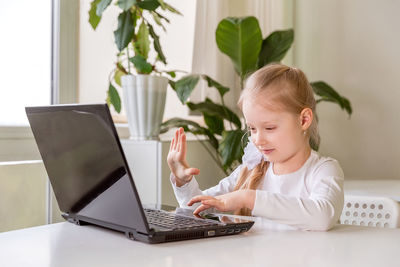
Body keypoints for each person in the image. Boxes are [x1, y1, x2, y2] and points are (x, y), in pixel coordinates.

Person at [167, 63, 344, 231]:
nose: (258, 139)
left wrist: (248, 197)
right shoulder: (251, 169)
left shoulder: (324, 170)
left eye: (269, 128)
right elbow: (198, 208)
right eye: (252, 128)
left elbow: (322, 217)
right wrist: (183, 183)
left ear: (304, 120)